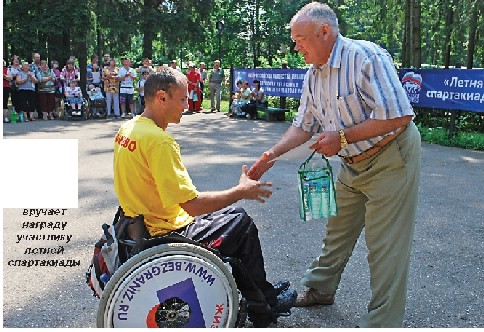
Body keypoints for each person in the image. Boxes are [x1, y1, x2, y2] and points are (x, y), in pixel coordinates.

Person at [247, 2, 421, 328]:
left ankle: (382, 322)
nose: (295, 46)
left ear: (324, 32)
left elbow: (399, 115)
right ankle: (320, 289)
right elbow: (303, 126)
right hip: (351, 163)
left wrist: (340, 138)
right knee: (336, 230)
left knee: (385, 248)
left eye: (300, 38)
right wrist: (269, 157)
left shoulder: (365, 58)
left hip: (390, 157)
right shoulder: (314, 75)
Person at [112, 68, 297, 328]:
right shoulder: (159, 141)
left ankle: (261, 293)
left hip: (136, 225)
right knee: (241, 224)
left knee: (232, 219)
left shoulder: (129, 128)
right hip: (164, 231)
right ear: (162, 97)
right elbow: (193, 205)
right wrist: (240, 191)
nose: (187, 106)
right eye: (182, 99)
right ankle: (264, 308)